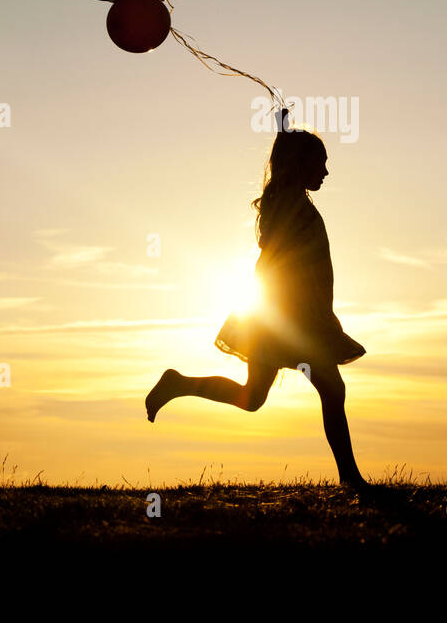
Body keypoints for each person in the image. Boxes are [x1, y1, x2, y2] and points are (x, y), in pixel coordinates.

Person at [145, 117, 368, 487]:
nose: (327, 171)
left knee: (252, 398)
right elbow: (275, 256)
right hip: (290, 318)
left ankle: (178, 383)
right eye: (321, 162)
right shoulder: (288, 204)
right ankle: (350, 479)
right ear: (301, 165)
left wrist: (285, 133)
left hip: (290, 315)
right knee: (332, 388)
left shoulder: (291, 200)